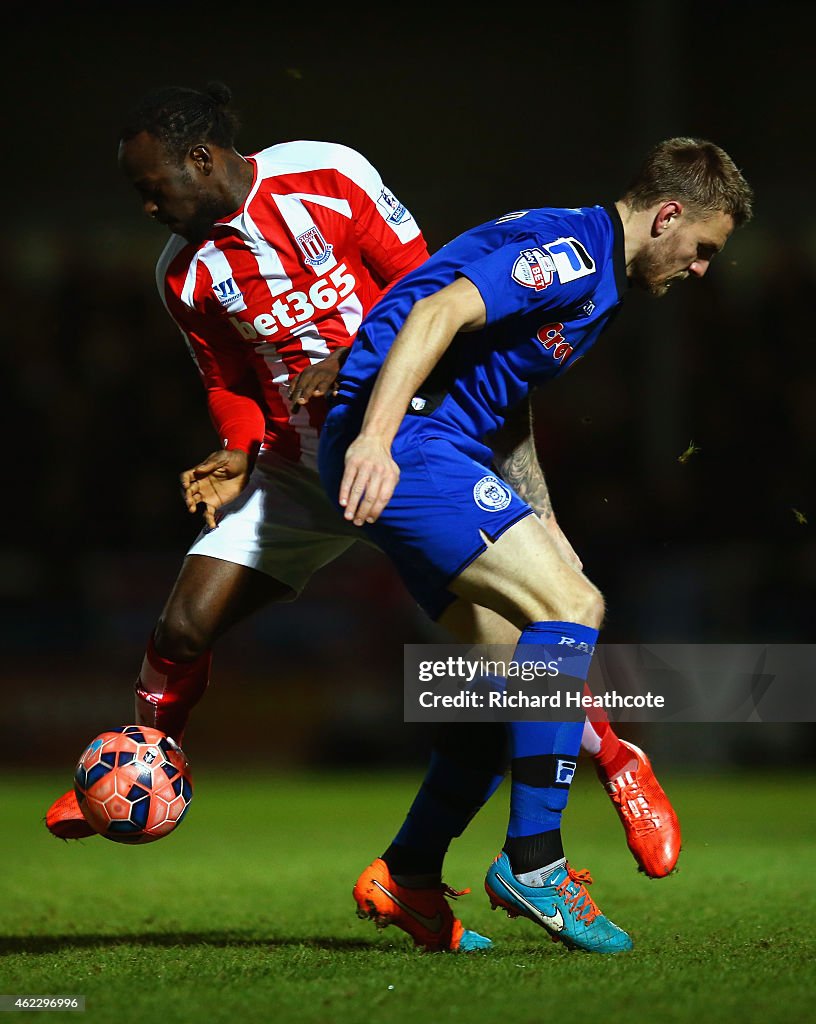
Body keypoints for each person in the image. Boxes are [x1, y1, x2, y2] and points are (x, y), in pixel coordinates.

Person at [44, 81, 682, 953]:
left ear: (201, 159)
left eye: (152, 185)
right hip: (300, 473)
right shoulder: (182, 274)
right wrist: (236, 448)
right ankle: (136, 765)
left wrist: (350, 360)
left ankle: (603, 767)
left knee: (508, 666)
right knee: (184, 623)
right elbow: (232, 384)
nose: (147, 204)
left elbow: (429, 284)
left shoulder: (327, 175)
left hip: (402, 443)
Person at [319, 137, 753, 954]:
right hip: (408, 438)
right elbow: (436, 312)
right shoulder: (568, 256)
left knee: (509, 678)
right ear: (667, 215)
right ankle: (536, 862)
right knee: (573, 607)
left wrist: (545, 521)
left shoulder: (598, 280)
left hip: (435, 442)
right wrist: (376, 438)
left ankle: (408, 874)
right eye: (703, 249)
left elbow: (502, 401)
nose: (702, 269)